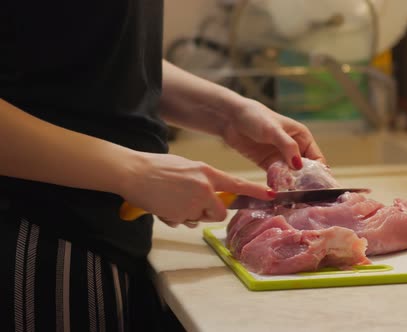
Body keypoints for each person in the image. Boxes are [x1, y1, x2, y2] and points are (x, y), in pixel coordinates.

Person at [0, 1, 325, 331]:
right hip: (38, 234)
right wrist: (133, 170)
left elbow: (94, 55)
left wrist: (229, 114)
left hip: (112, 234)